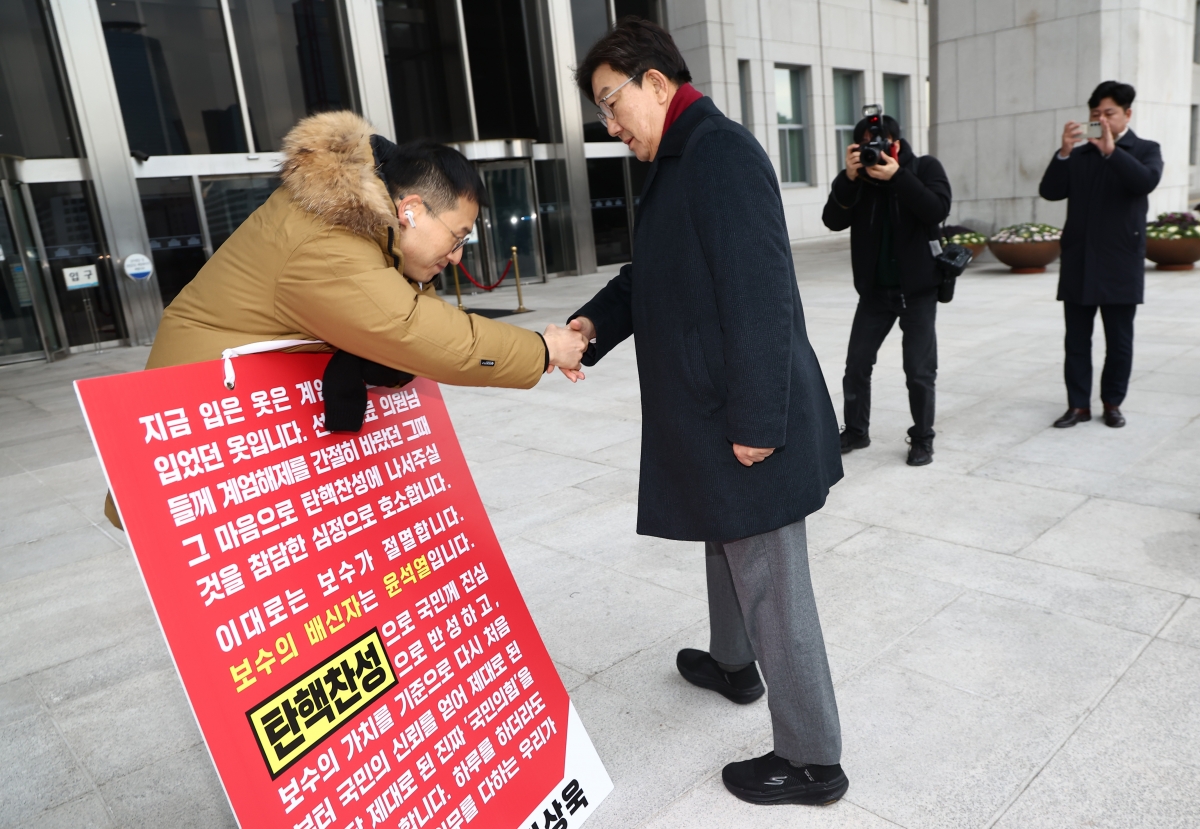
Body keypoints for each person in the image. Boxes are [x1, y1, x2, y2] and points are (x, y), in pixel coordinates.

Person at [565, 18, 847, 806]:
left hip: (745, 412)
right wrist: (591, 325)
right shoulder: (682, 157)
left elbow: (761, 296)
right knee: (725, 542)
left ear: (657, 83)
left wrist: (760, 422)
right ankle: (732, 663)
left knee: (770, 576)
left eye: (612, 103)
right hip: (711, 407)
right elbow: (648, 273)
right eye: (601, 113)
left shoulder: (719, 154)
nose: (610, 126)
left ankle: (813, 758)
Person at [104, 111, 586, 528]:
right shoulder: (325, 240)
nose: (458, 257)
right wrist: (541, 351)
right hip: (199, 444)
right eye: (456, 237)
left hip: (239, 433)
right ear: (412, 210)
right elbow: (411, 330)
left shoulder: (353, 226)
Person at [821, 114, 952, 466]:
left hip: (919, 290)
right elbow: (832, 220)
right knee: (857, 365)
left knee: (919, 372)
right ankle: (856, 431)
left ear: (896, 143)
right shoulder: (858, 179)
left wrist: (899, 177)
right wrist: (849, 179)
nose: (873, 150)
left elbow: (937, 208)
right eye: (865, 144)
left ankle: (923, 438)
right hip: (875, 293)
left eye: (879, 142)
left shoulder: (924, 168)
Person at [1039, 80, 1162, 429]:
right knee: (1076, 341)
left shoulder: (1146, 149)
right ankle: (1078, 405)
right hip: (1080, 260)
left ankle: (1112, 403)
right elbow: (1049, 191)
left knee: (1119, 342)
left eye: (1109, 113)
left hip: (1121, 260)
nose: (1102, 119)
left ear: (1127, 114)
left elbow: (1144, 182)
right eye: (1096, 114)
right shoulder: (1079, 155)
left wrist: (1111, 151)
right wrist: (1063, 152)